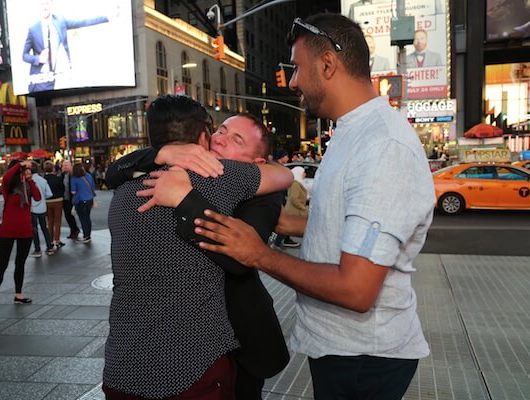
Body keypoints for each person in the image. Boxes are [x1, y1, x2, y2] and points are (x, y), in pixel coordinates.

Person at [182, 14, 436, 400]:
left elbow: (356, 289)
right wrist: (281, 222)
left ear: (328, 64)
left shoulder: (383, 147)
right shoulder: (351, 131)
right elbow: (345, 221)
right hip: (344, 350)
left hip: (363, 358)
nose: (295, 80)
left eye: (297, 67)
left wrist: (258, 255)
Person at [103, 95, 293, 400]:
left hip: (227, 343)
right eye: (221, 131)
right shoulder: (219, 178)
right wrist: (163, 155)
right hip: (197, 359)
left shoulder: (124, 192)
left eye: (236, 139)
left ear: (258, 162)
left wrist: (183, 197)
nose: (221, 140)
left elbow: (242, 258)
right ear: (203, 136)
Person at [0, 160, 41, 318]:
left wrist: (30, 179)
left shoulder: (28, 187)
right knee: (2, 265)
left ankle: (18, 294)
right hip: (7, 231)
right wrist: (21, 165)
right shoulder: (8, 187)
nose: (27, 172)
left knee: (20, 263)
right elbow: (7, 176)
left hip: (25, 231)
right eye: (24, 170)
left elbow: (38, 197)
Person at [22, 0, 111, 92]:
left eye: (47, 3)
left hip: (59, 75)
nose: (44, 7)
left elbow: (83, 22)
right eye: (42, 4)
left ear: (52, 5)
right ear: (38, 7)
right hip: (41, 79)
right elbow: (24, 56)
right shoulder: (33, 29)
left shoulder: (60, 22)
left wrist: (107, 17)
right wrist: (38, 59)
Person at [272, 149, 299, 249]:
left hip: (282, 197)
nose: (288, 158)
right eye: (286, 156)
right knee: (279, 221)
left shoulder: (281, 167)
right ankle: (277, 243)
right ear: (281, 157)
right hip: (276, 197)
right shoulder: (275, 167)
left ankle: (281, 241)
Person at [28, 163, 55, 257]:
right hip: (43, 207)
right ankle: (49, 247)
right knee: (44, 227)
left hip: (32, 208)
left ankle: (37, 249)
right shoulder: (43, 180)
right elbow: (49, 194)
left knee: (34, 229)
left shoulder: (28, 181)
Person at [70, 163, 95, 244]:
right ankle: (88, 235)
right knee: (87, 218)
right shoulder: (88, 176)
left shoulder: (74, 178)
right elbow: (92, 186)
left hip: (80, 200)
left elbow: (73, 192)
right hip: (89, 199)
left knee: (83, 219)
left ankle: (86, 236)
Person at [43, 160, 65, 248]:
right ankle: (57, 240)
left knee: (50, 221)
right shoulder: (58, 179)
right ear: (53, 168)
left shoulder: (43, 180)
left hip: (47, 202)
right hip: (58, 200)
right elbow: (62, 189)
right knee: (58, 221)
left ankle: (50, 240)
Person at [61, 160, 80, 240]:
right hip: (64, 198)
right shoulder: (63, 175)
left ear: (70, 166)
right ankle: (74, 229)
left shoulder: (73, 175)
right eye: (63, 165)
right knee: (67, 215)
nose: (65, 167)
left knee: (69, 214)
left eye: (66, 165)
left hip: (71, 197)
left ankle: (74, 230)